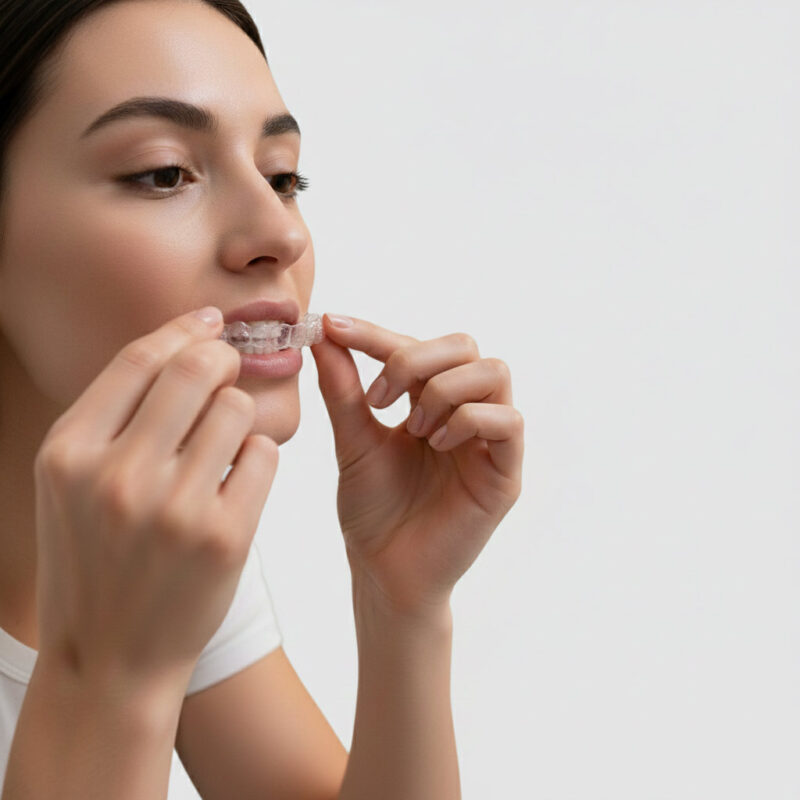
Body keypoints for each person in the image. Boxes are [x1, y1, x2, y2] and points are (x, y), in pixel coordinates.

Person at [0, 0, 524, 797]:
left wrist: (403, 608)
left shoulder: (163, 538)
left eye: (283, 177)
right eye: (163, 172)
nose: (281, 235)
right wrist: (110, 676)